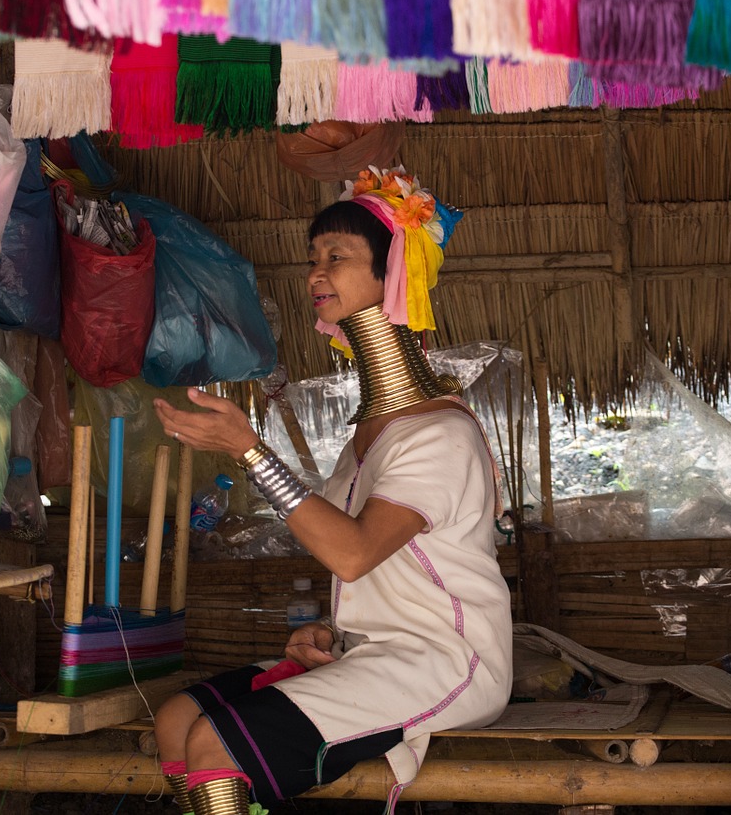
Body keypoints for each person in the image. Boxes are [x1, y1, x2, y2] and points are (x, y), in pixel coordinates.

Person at [152, 166, 512, 815]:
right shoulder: (366, 439)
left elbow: (352, 552)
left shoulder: (439, 435)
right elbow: (376, 574)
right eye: (313, 258)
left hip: (450, 663)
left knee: (216, 746)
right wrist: (332, 630)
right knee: (178, 717)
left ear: (391, 271)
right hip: (378, 653)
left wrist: (249, 449)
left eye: (337, 257)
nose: (316, 273)